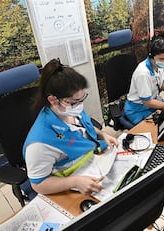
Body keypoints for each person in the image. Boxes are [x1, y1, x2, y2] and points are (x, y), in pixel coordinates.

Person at [23, 59, 118, 195]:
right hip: (72, 183)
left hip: (95, 161)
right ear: (53, 100)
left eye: (82, 99)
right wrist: (75, 182)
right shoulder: (39, 143)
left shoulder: (70, 109)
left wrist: (103, 135)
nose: (79, 106)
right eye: (74, 102)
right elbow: (38, 184)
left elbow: (84, 128)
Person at [124, 36, 164, 125]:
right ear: (151, 56)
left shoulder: (158, 65)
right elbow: (146, 101)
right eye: (162, 59)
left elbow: (161, 82)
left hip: (153, 101)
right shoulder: (143, 73)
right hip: (138, 109)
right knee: (158, 128)